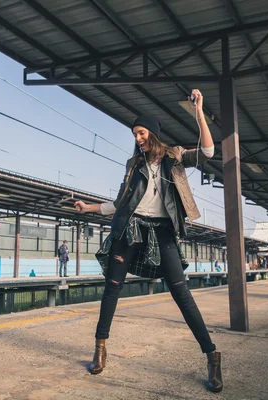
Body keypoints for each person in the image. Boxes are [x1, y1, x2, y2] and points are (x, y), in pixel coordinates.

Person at [75, 89, 222, 393]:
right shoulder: (133, 165)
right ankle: (100, 349)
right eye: (135, 134)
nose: (137, 138)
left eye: (141, 132)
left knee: (182, 294)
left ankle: (212, 355)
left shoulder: (176, 156)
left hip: (162, 232)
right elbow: (122, 202)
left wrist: (199, 113)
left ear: (153, 133)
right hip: (129, 229)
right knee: (112, 289)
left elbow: (208, 151)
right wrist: (90, 208)